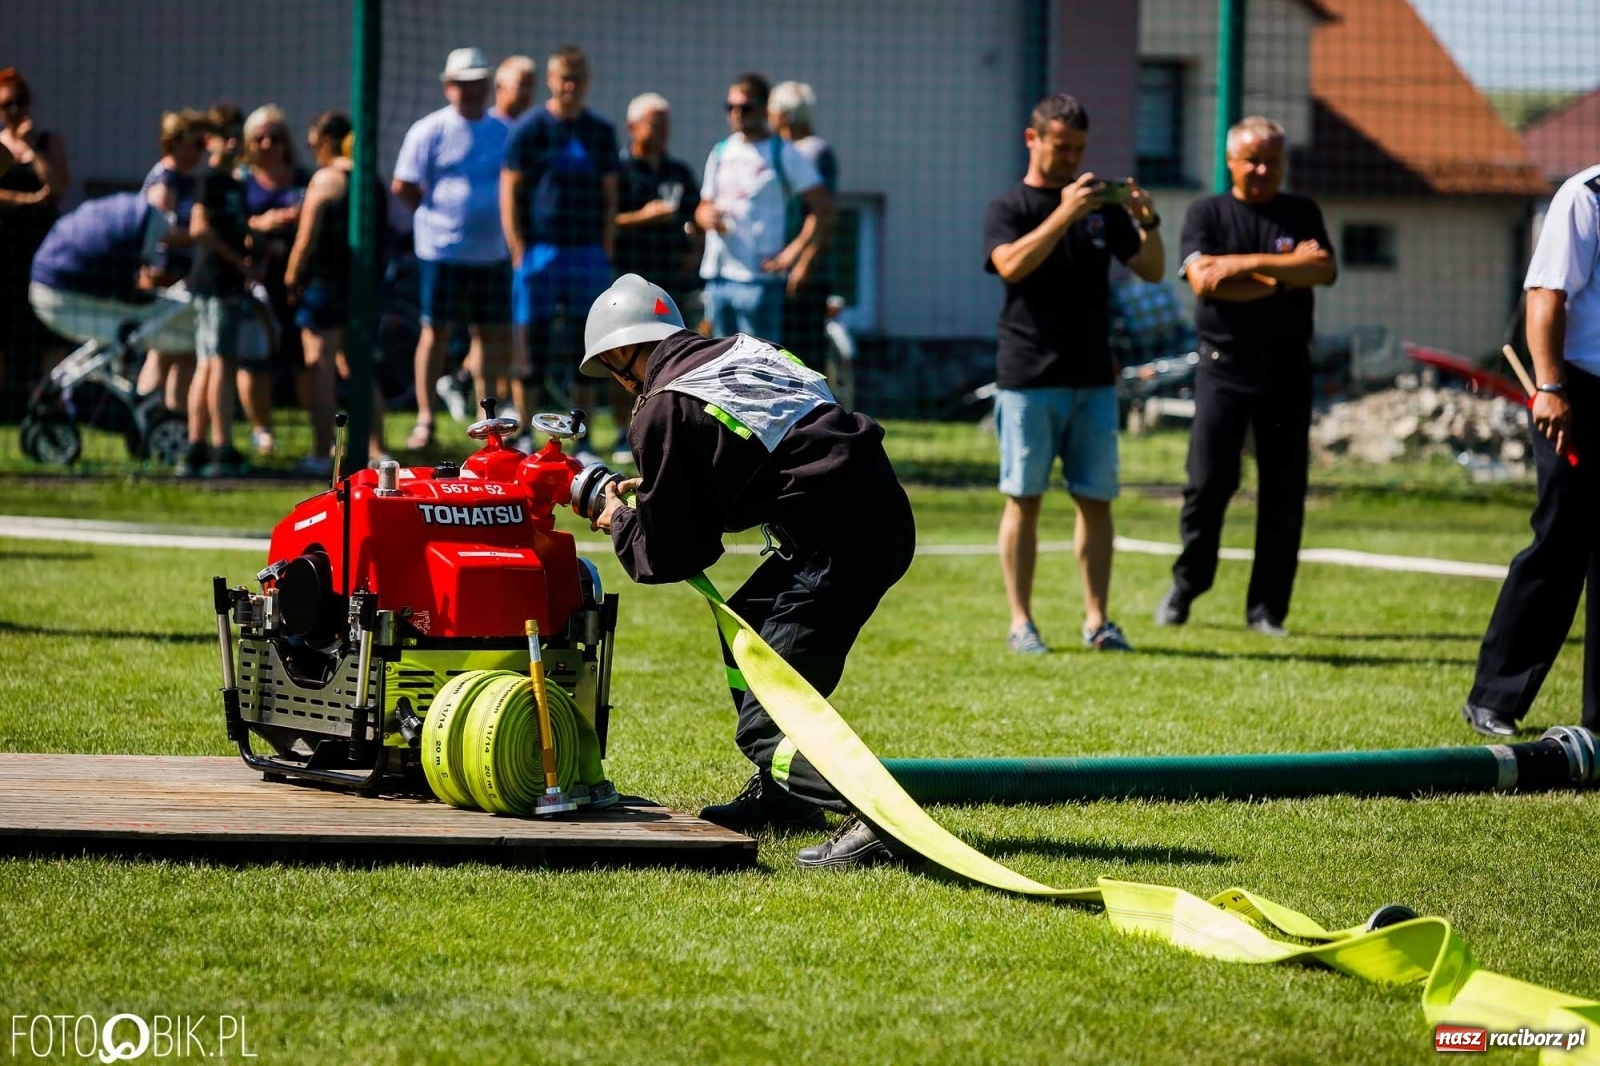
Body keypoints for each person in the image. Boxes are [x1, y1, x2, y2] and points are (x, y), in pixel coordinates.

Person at [583, 273, 916, 869]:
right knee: (748, 627)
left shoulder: (661, 407)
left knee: (767, 723)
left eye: (611, 369)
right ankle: (788, 802)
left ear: (620, 353)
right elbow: (782, 454)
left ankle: (874, 817)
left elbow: (674, 553)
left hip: (836, 543)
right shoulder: (740, 350)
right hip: (869, 518)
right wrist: (666, 491)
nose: (616, 383)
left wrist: (617, 518)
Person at [983, 93, 1165, 655]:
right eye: (1062, 147)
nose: (1072, 158)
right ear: (1032, 139)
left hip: (1093, 377)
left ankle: (1098, 621)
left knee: (1096, 500)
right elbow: (1010, 265)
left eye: (1080, 149)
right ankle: (1021, 623)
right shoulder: (1009, 207)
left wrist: (1146, 220)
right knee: (1025, 499)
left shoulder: (1102, 213)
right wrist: (1064, 212)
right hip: (1028, 377)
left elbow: (1154, 269)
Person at [1153, 116, 1337, 637]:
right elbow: (1206, 282)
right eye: (1251, 159)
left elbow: (1321, 269)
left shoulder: (1302, 211)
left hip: (1287, 373)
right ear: (1230, 160)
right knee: (1208, 485)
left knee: (1283, 494)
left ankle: (1266, 610)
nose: (1261, 169)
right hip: (1223, 372)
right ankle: (1187, 586)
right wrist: (1282, 272)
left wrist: (1243, 268)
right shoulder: (1205, 213)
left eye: (1272, 160)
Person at [1459, 163, 1600, 737]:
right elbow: (1547, 293)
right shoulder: (1586, 196)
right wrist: (1549, 386)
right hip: (1579, 389)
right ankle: (1496, 695)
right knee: (1562, 541)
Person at [393, 46, 512, 451]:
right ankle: (426, 419)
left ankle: (487, 420)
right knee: (435, 332)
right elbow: (404, 185)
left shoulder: (502, 130)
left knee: (490, 335)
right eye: (463, 84)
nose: (471, 91)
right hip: (440, 253)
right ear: (448, 87)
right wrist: (438, 219)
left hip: (492, 254)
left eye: (478, 83)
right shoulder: (429, 131)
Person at [500, 45, 618, 435]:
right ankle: (525, 435)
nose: (570, 86)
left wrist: (606, 243)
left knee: (586, 347)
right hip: (539, 253)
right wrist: (518, 249)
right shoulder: (530, 130)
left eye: (577, 79)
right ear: (551, 81)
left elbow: (610, 192)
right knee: (530, 345)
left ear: (587, 83)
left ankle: (579, 434)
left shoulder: (599, 132)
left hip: (586, 254)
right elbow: (510, 188)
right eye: (563, 79)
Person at [285, 111, 389, 474]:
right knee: (359, 367)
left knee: (321, 365)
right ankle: (379, 448)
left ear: (327, 140)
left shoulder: (326, 179)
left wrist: (290, 278)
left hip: (325, 286)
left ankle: (321, 450)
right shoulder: (370, 181)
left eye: (313, 141)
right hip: (362, 289)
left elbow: (305, 240)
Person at [695, 73, 833, 344]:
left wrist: (794, 252)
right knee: (719, 366)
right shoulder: (721, 151)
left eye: (745, 108)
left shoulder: (783, 152)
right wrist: (705, 217)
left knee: (760, 367)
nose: (736, 114)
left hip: (760, 277)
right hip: (718, 274)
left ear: (763, 109)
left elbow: (823, 207)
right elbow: (703, 206)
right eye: (730, 107)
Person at [612, 91, 701, 463]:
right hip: (626, 279)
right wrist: (643, 217)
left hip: (670, 282)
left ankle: (667, 429)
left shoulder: (678, 172)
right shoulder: (616, 172)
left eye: (666, 122)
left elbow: (697, 219)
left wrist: (693, 253)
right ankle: (622, 433)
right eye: (654, 121)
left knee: (672, 357)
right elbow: (606, 223)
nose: (663, 130)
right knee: (624, 359)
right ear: (632, 126)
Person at [179, 103, 258, 478]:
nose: (232, 141)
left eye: (236, 134)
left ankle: (199, 446)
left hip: (228, 282)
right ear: (208, 140)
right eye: (225, 134)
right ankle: (217, 447)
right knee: (218, 364)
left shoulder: (235, 183)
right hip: (213, 282)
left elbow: (236, 228)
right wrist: (237, 262)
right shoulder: (208, 180)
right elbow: (200, 230)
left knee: (212, 362)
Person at [29, 191, 193, 358]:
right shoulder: (139, 226)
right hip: (64, 292)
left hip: (54, 284)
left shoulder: (130, 222)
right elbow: (134, 290)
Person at [239, 104, 310, 457]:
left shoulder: (303, 180)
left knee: (304, 359)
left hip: (298, 283)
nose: (268, 144)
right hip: (257, 281)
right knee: (255, 358)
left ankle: (321, 434)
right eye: (260, 138)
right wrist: (258, 224)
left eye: (276, 137)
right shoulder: (241, 181)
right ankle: (261, 429)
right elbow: (228, 226)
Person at [0, 67, 69, 418]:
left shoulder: (48, 141)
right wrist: (25, 201)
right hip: (5, 245)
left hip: (41, 245)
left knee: (44, 324)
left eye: (20, 102)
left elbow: (58, 187)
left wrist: (32, 149)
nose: (14, 111)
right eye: (7, 104)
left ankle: (49, 404)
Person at [135, 108, 209, 416]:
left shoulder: (184, 178)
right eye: (197, 144)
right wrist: (202, 236)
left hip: (182, 273)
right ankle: (145, 413)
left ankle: (172, 418)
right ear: (175, 143)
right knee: (162, 349)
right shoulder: (165, 181)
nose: (201, 152)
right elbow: (158, 234)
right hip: (163, 274)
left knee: (181, 352)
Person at [769, 80, 837, 370]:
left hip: (806, 273)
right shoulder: (783, 150)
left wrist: (805, 262)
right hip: (784, 267)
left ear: (784, 115)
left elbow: (823, 212)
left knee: (804, 355)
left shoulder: (814, 152)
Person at [489, 55, 536, 124]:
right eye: (522, 86)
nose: (526, 93)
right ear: (499, 86)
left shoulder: (533, 128)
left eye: (530, 86)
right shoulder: (485, 125)